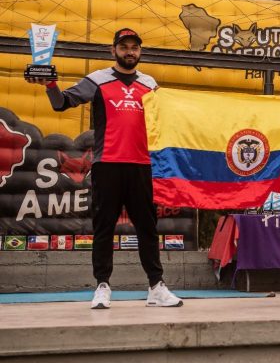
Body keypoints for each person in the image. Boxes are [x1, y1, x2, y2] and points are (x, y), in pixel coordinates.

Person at [26, 28, 183, 309]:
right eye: (124, 47)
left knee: (147, 227)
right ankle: (102, 286)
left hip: (141, 165)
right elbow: (62, 103)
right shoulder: (97, 80)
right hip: (107, 164)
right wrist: (50, 85)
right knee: (103, 228)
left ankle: (156, 287)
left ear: (140, 52)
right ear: (114, 51)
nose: (130, 51)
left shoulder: (150, 84)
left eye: (134, 47)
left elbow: (171, 118)